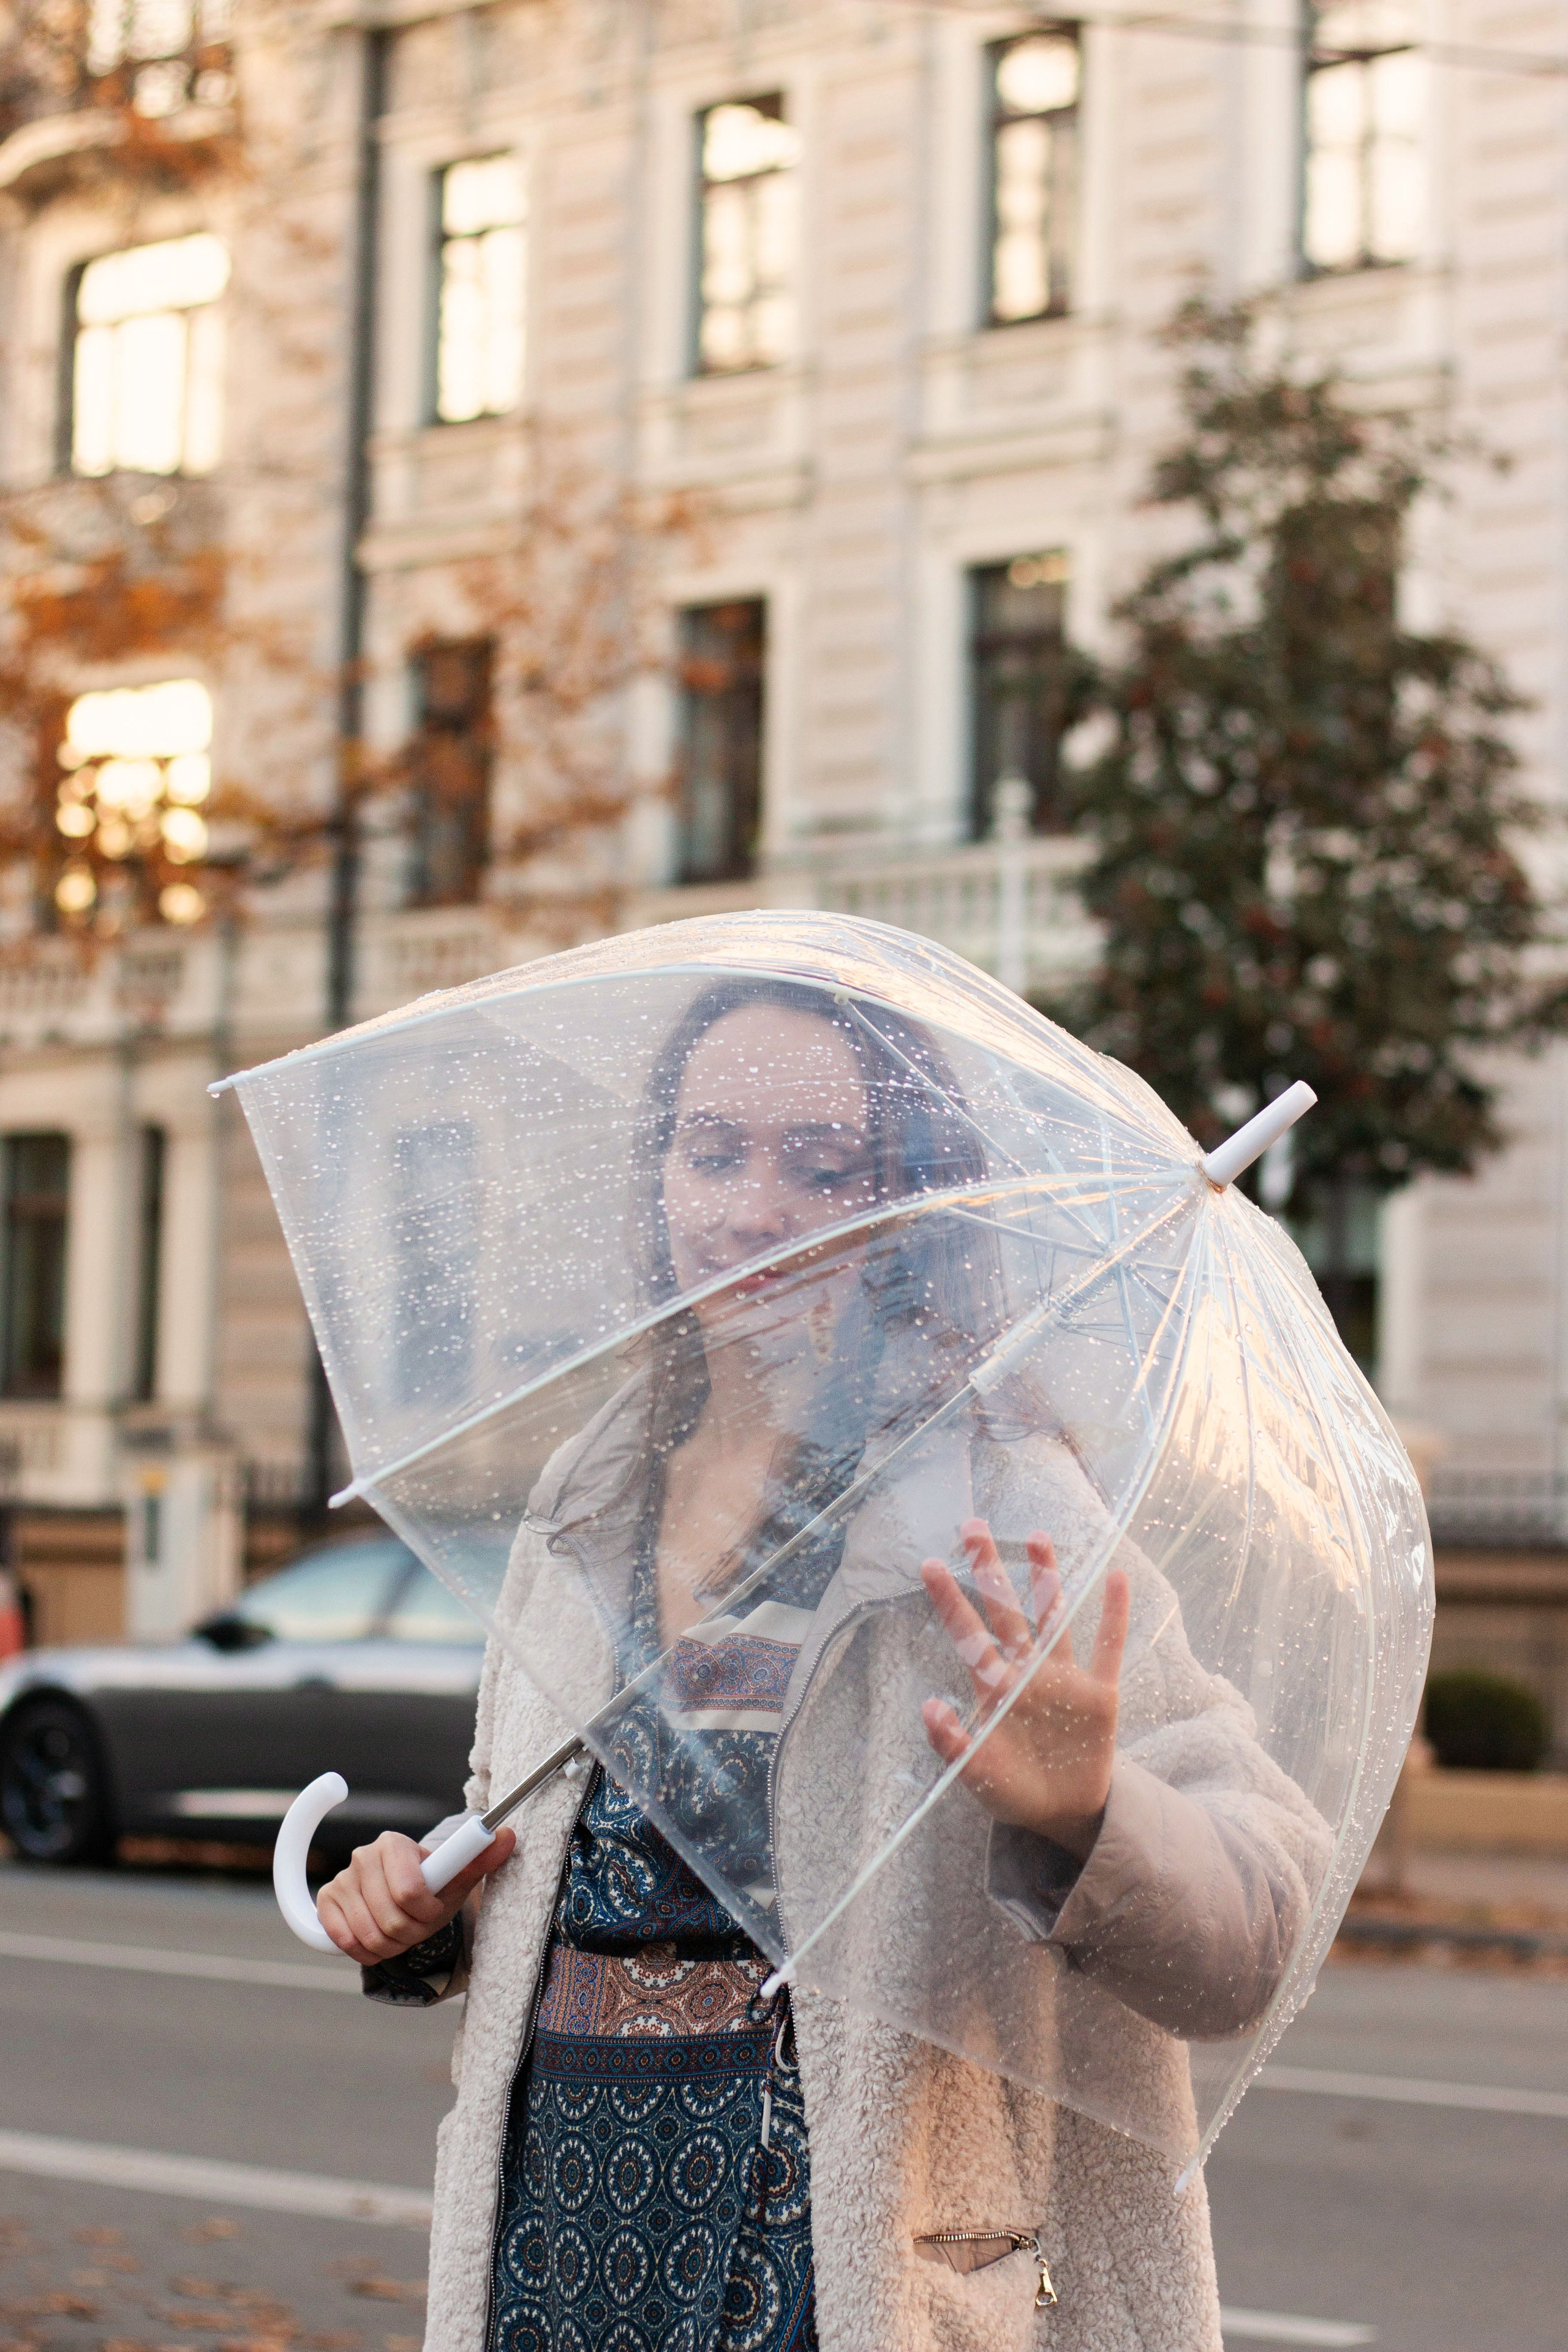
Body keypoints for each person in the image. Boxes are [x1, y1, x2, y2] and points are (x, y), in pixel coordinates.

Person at [319, 977, 1329, 2352]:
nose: (753, 1209)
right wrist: (426, 1915)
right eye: (713, 1152)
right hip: (557, 2246)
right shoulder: (586, 1498)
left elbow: (1252, 1935)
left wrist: (1091, 1810)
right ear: (658, 1181)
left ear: (905, 1207)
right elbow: (556, 1866)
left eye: (821, 1164)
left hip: (832, 2274)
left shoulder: (993, 1505)